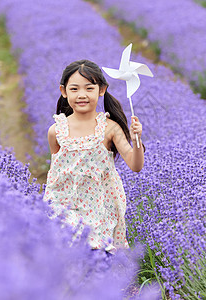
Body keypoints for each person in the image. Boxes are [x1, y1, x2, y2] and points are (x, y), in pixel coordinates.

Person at [43, 59, 145, 253]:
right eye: (74, 89)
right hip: (65, 205)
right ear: (63, 91)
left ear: (102, 90)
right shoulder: (55, 131)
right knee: (72, 253)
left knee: (98, 257)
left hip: (100, 207)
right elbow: (55, 174)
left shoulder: (109, 128)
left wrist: (136, 139)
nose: (82, 95)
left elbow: (135, 165)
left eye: (89, 88)